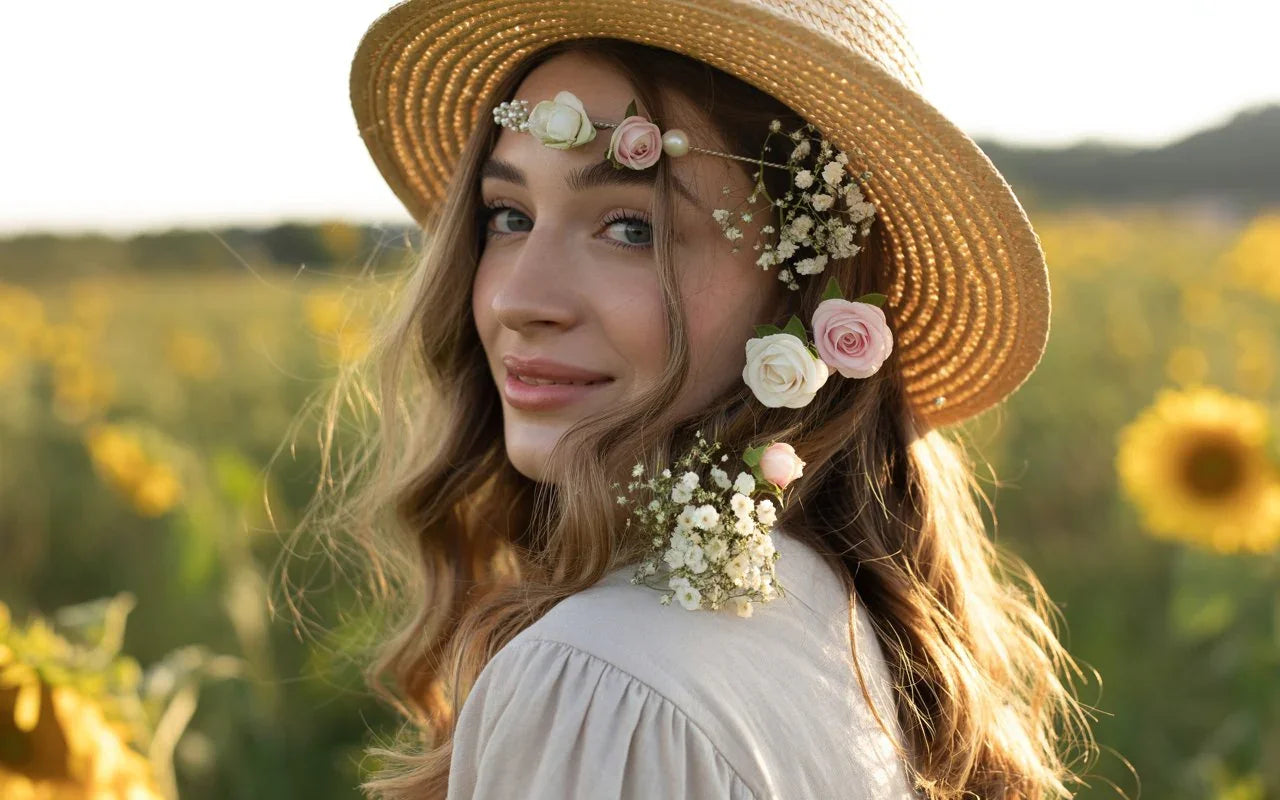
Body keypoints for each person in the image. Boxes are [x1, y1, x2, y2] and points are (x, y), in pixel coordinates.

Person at [313, 0, 1097, 797]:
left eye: (631, 228)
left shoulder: (602, 683)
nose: (519, 297)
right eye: (508, 216)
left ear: (807, 293)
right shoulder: (832, 617)